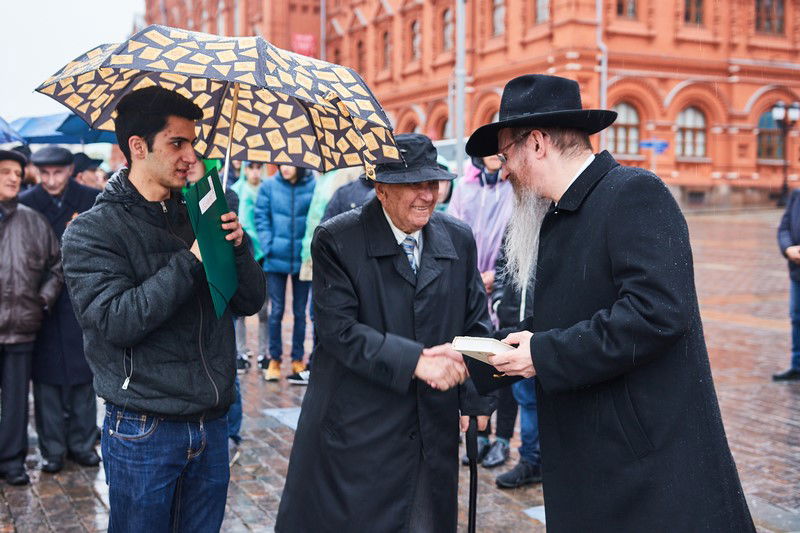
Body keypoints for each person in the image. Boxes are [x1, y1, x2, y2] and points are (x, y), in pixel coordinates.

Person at [466, 74, 754, 531]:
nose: (503, 170)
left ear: (537, 143)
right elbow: (570, 316)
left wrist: (542, 352)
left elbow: (656, 312)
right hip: (597, 457)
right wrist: (475, 361)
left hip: (646, 471)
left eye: (505, 155)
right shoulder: (562, 214)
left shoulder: (633, 193)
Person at [60, 86, 265, 532]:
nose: (191, 156)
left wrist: (236, 244)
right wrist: (192, 259)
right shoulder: (94, 230)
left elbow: (249, 301)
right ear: (138, 147)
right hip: (144, 427)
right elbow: (116, 320)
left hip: (211, 424)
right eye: (177, 143)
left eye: (193, 142)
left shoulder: (201, 210)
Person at [276, 133, 496, 532]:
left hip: (432, 427)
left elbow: (476, 324)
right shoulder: (337, 239)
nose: (427, 195)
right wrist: (416, 362)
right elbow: (337, 331)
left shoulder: (458, 238)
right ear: (381, 188)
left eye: (433, 183)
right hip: (361, 429)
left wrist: (477, 399)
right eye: (414, 184)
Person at [19, 145, 101, 474]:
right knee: (46, 379)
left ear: (70, 171)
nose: (51, 180)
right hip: (40, 298)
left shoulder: (89, 199)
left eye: (58, 173)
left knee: (83, 375)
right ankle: (52, 448)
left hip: (80, 298)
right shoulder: (27, 203)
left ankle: (83, 444)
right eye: (45, 174)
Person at [0, 149, 63, 486]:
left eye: (17, 172)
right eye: (5, 171)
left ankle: (11, 462)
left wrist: (42, 301)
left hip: (22, 327)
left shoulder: (32, 220)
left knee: (15, 402)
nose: (14, 177)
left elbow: (57, 265)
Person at [448, 153, 515, 467]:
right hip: (469, 286)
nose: (492, 156)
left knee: (504, 362)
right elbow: (452, 230)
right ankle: (479, 433)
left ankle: (502, 438)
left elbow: (515, 241)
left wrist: (496, 278)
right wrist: (470, 277)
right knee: (475, 359)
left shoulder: (512, 187)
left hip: (501, 286)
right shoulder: (465, 187)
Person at [287, 166, 365, 385]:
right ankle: (317, 364)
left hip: (334, 259)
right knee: (316, 313)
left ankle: (321, 366)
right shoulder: (322, 178)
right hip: (314, 253)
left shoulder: (345, 176)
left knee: (328, 314)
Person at [254, 164, 315, 381]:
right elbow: (260, 215)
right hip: (275, 259)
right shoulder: (269, 186)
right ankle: (274, 358)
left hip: (302, 259)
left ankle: (298, 359)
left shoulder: (312, 185)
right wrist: (268, 245)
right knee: (276, 310)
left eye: (291, 164)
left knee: (300, 312)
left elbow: (316, 216)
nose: (285, 168)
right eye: (282, 164)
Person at [490, 242, 541, 488]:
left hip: (546, 329)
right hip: (515, 325)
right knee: (526, 399)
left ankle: (538, 461)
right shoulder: (519, 222)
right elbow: (503, 265)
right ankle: (530, 460)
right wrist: (501, 303)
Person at [231, 161, 268, 373]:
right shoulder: (235, 191)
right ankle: (241, 351)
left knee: (264, 309)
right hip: (242, 253)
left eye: (258, 167)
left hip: (262, 254)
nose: (254, 172)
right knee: (241, 307)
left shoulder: (265, 189)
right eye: (251, 167)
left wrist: (267, 247)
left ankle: (263, 352)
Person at [775, 190, 800, 381]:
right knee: (797, 318)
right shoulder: (796, 195)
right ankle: (797, 365)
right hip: (797, 272)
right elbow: (784, 228)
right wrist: (788, 248)